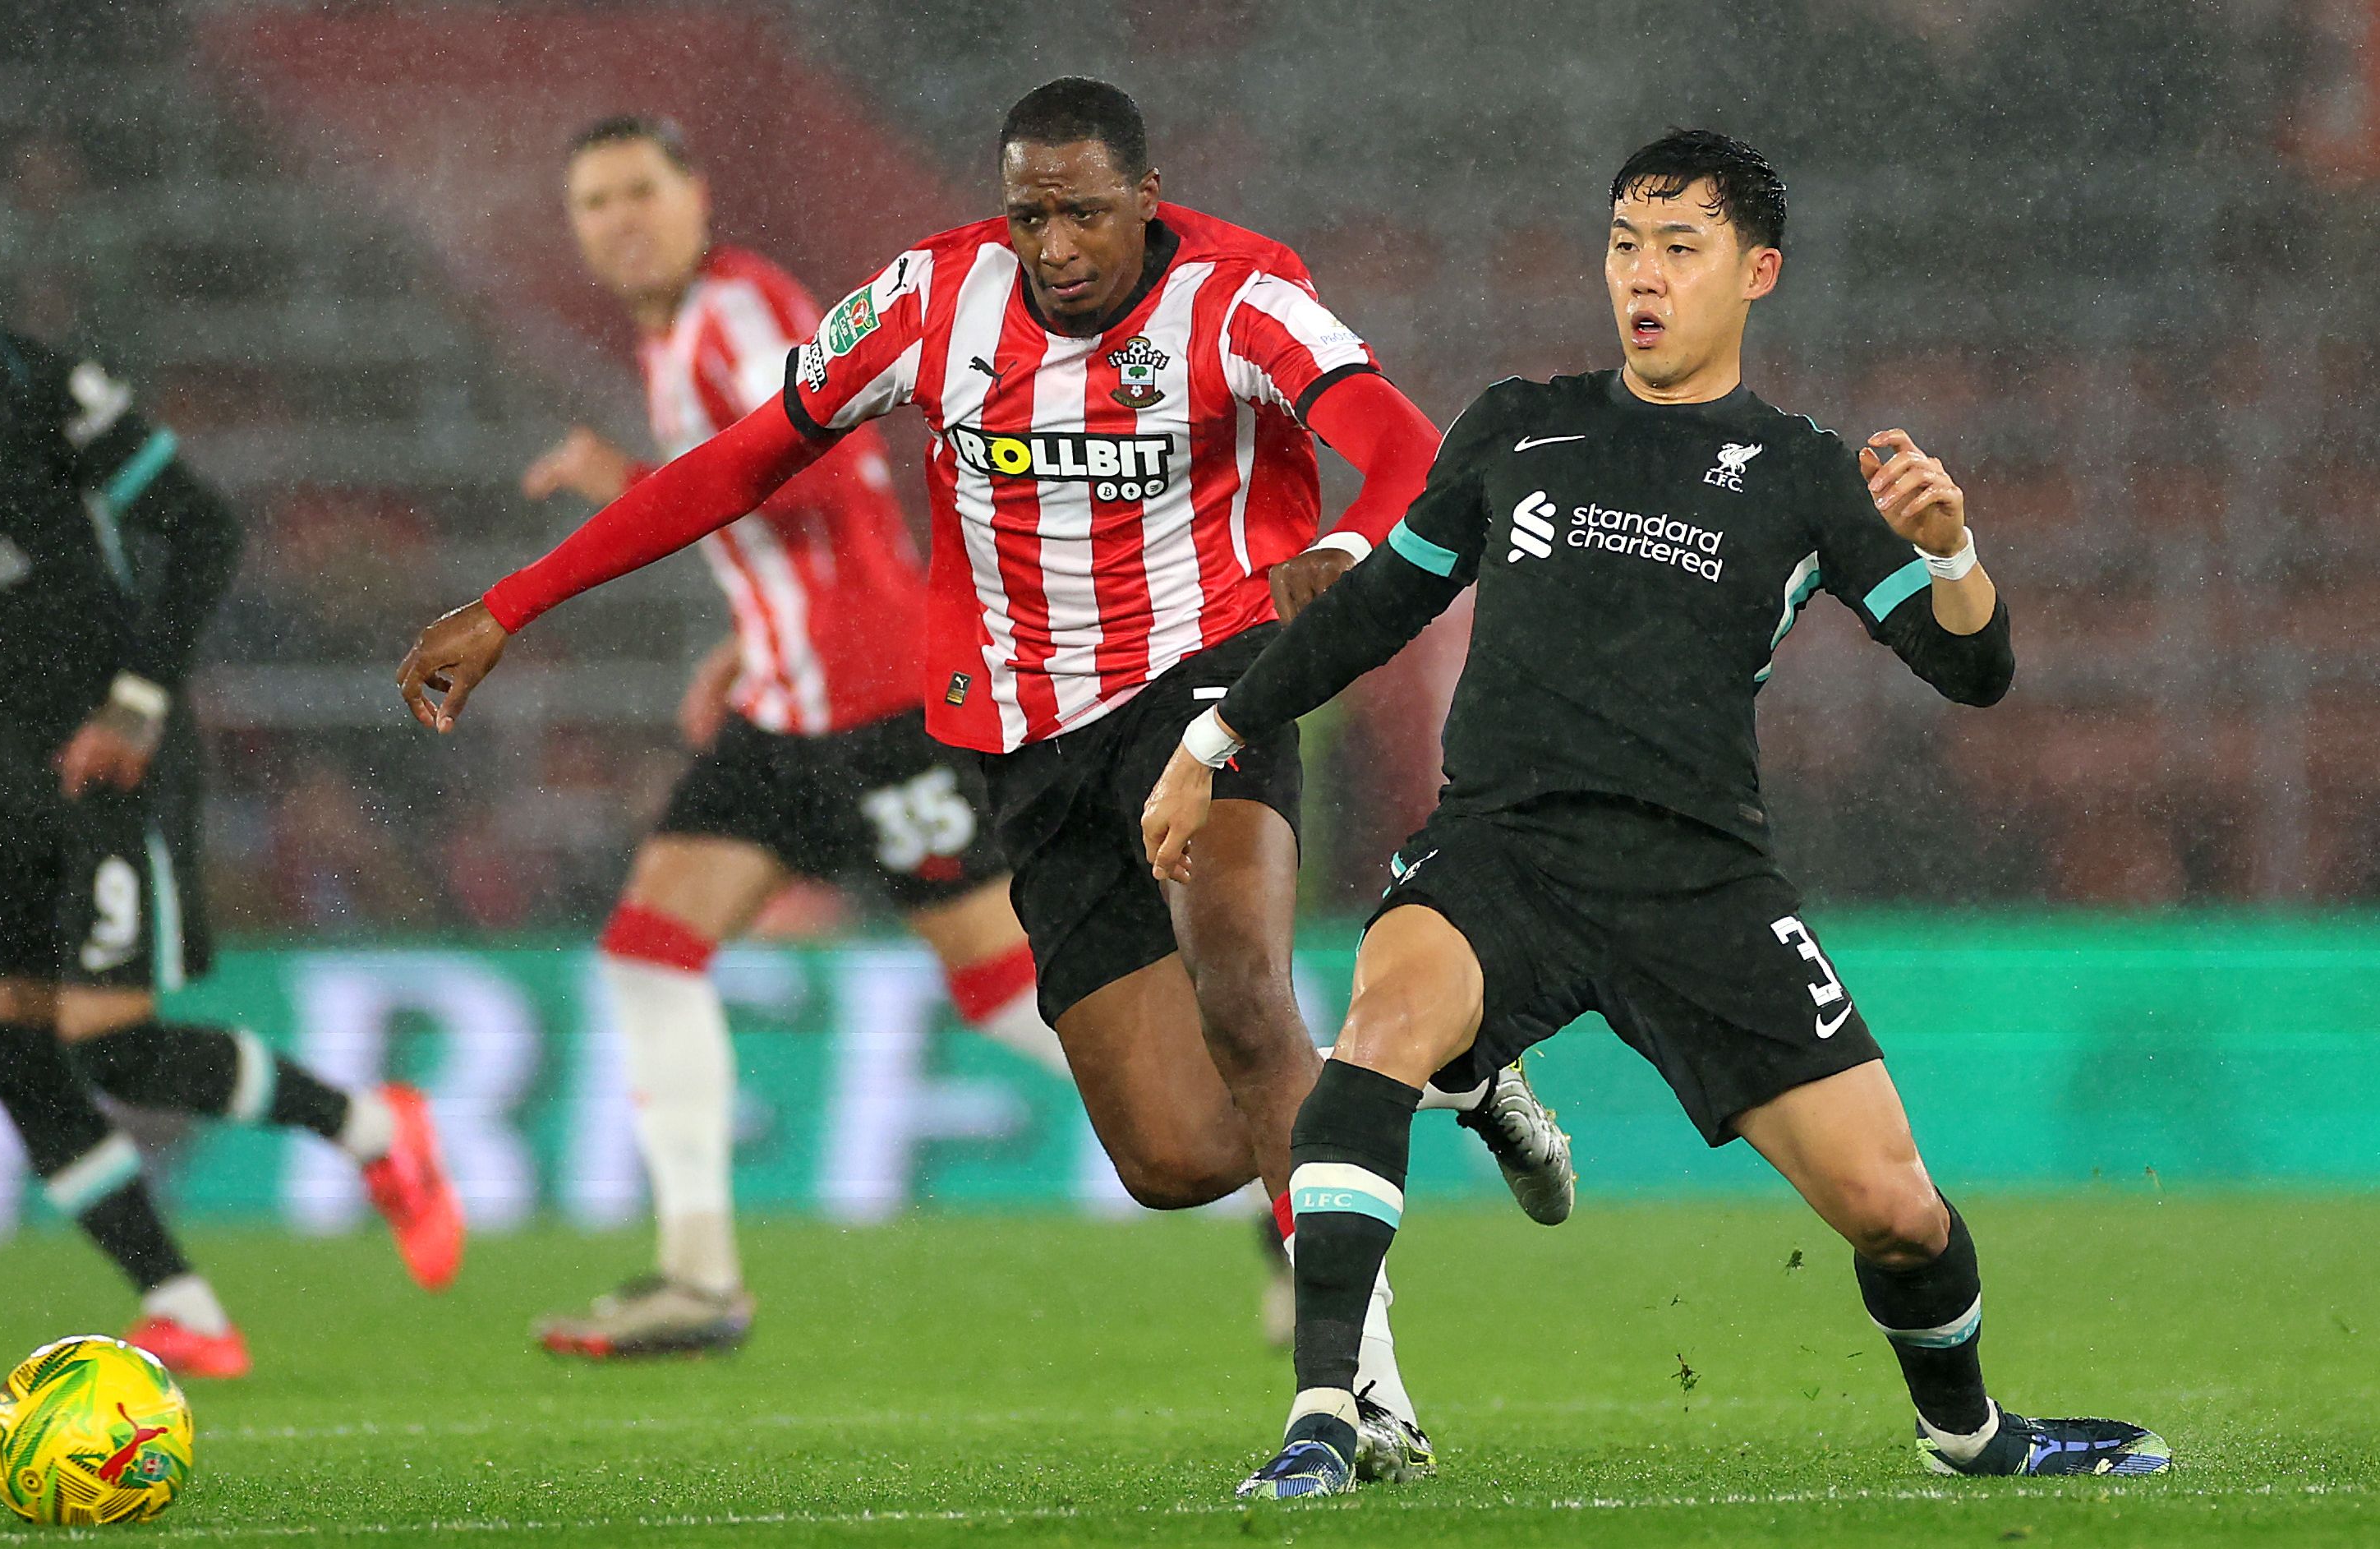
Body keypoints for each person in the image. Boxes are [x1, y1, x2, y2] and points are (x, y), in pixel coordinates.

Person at [402, 80, 1575, 1477]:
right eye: (1032, 214)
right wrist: (513, 603)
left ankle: (1353, 1404)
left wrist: (1359, 543)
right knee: (1170, 1157)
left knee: (1249, 999)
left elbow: (1402, 444)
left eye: (1086, 211)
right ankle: (1443, 1063)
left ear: (1147, 199)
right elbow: (739, 465)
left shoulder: (1242, 294)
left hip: (1217, 677)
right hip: (1028, 737)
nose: (1059, 243)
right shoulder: (926, 300)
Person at [1139, 128, 2171, 1497]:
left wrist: (1952, 550)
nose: (1643, 275)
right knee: (1373, 1038)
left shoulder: (1803, 473)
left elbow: (1973, 670)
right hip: (1500, 849)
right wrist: (1216, 734)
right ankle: (1328, 1416)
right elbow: (1381, 607)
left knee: (1897, 1212)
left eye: (1680, 249)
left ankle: (1972, 1433)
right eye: (1626, 244)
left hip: (1698, 882)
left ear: (1757, 273)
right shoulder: (1517, 425)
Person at [0, 159, 463, 1380]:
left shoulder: (35, 386)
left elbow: (201, 527)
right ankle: (188, 1306)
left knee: (112, 1043)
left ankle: (379, 1125)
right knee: (5, 1041)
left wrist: (136, 699)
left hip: (115, 757)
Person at [518, 114, 1070, 1358]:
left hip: (876, 706)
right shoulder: (673, 336)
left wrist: (633, 488)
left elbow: (815, 470)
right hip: (784, 706)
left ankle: (1277, 1146)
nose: (620, 218)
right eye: (594, 201)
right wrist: (742, 633)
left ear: (696, 194)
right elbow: (768, 522)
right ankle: (699, 1275)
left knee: (1003, 996)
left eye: (639, 190)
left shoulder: (739, 308)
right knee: (647, 950)